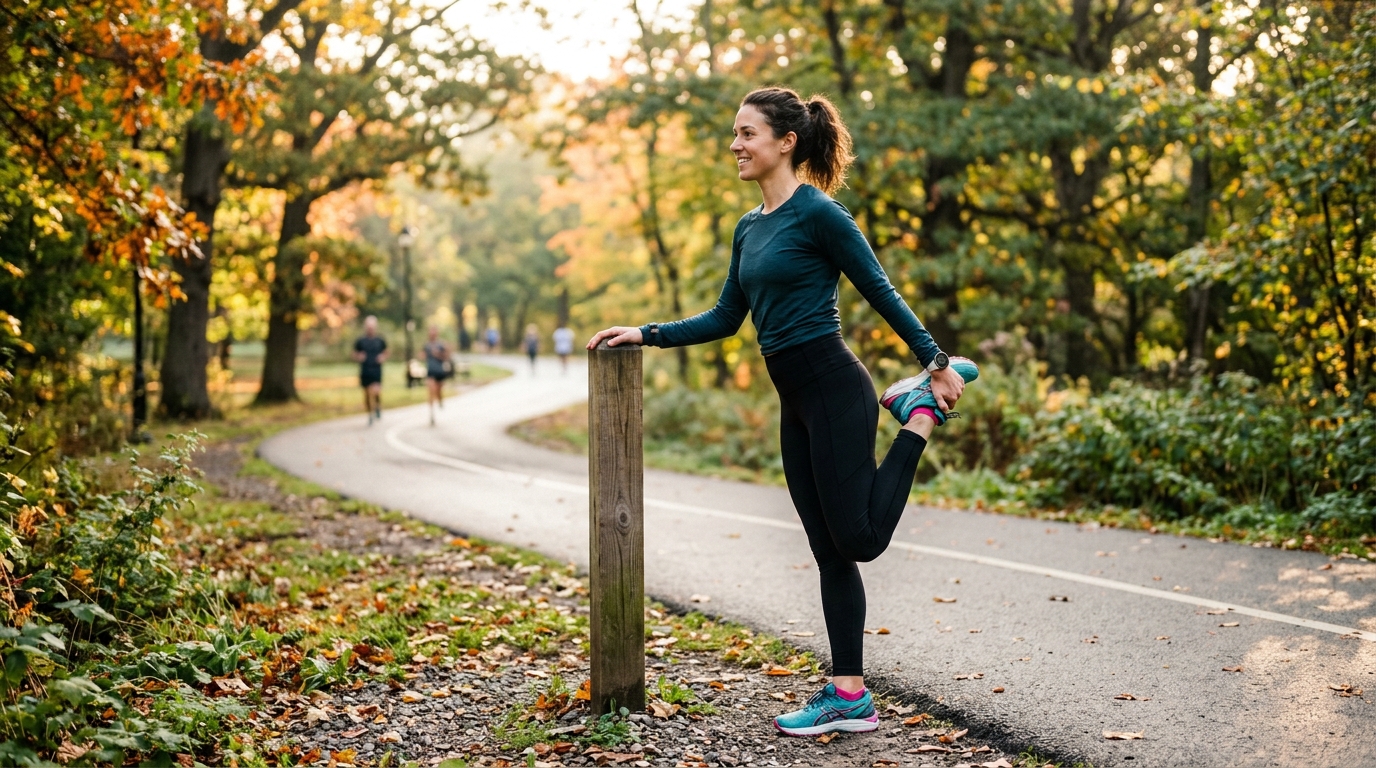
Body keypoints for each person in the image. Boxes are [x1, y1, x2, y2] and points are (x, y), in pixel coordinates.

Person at [586, 86, 980, 738]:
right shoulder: (750, 226)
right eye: (735, 134)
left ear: (786, 141)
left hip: (833, 386)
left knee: (860, 539)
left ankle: (916, 415)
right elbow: (725, 318)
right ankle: (849, 696)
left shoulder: (820, 214)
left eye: (747, 133)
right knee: (830, 552)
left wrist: (935, 361)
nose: (735, 145)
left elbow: (878, 289)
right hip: (793, 401)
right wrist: (646, 332)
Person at [353, 315, 389, 426]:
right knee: (367, 394)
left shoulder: (380, 340)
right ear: (365, 327)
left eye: (372, 327)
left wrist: (382, 357)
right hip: (365, 370)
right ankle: (370, 414)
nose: (370, 329)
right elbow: (354, 354)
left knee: (376, 391)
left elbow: (386, 352)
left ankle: (377, 405)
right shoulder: (360, 341)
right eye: (368, 327)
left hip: (376, 370)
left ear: (375, 327)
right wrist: (359, 357)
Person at [423, 324, 451, 426]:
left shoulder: (441, 344)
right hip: (430, 372)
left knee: (438, 392)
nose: (432, 334)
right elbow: (423, 355)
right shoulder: (426, 345)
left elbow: (447, 356)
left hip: (440, 372)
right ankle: (431, 415)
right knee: (431, 391)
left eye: (434, 332)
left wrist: (438, 354)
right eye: (431, 332)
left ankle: (440, 400)